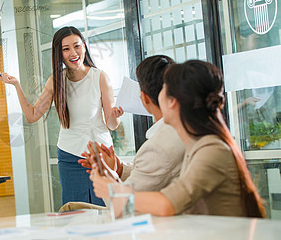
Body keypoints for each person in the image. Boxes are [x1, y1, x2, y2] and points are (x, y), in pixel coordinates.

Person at [91, 60, 266, 218]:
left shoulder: (211, 150)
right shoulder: (199, 142)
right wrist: (116, 175)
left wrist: (112, 190)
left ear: (172, 101)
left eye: (163, 89)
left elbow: (167, 204)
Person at [0, 26, 123, 206]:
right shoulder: (56, 80)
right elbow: (32, 115)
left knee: (105, 209)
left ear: (84, 47)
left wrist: (115, 115)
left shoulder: (100, 77)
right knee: (74, 212)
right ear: (60, 54)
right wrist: (16, 85)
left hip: (100, 157)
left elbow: (112, 125)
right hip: (70, 157)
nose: (73, 53)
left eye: (77, 46)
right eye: (66, 49)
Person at [60, 55, 185, 211]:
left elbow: (124, 207)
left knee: (70, 210)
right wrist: (118, 168)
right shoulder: (181, 132)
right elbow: (152, 174)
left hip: (153, 222)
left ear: (144, 98)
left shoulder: (158, 146)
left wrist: (104, 177)